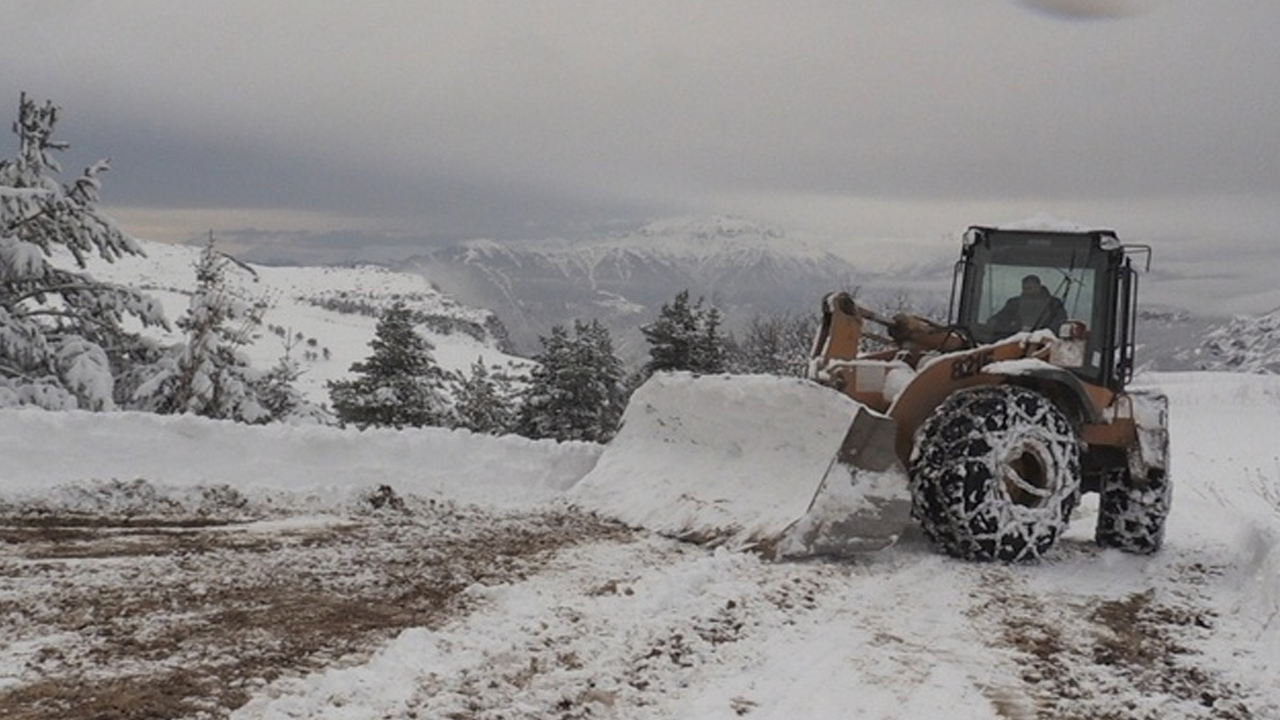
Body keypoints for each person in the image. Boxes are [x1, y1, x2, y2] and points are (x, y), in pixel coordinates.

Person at [987, 274, 1067, 335]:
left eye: (1030, 288)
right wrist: (993, 322)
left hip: (1046, 345)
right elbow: (1001, 318)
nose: (1027, 291)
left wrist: (1043, 334)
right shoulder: (1014, 304)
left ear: (1038, 286)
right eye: (1025, 288)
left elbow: (1060, 324)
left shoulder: (1054, 304)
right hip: (1013, 343)